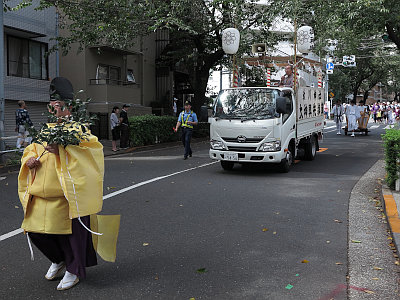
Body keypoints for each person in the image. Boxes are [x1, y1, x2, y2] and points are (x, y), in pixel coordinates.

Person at [18, 77, 105, 291]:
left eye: (60, 104)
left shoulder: (78, 129)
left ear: (69, 106)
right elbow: (30, 151)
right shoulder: (44, 130)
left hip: (67, 195)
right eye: (53, 104)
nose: (56, 107)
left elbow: (92, 154)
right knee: (34, 230)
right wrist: (27, 161)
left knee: (71, 235)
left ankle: (74, 269)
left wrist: (64, 151)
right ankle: (58, 259)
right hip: (41, 193)